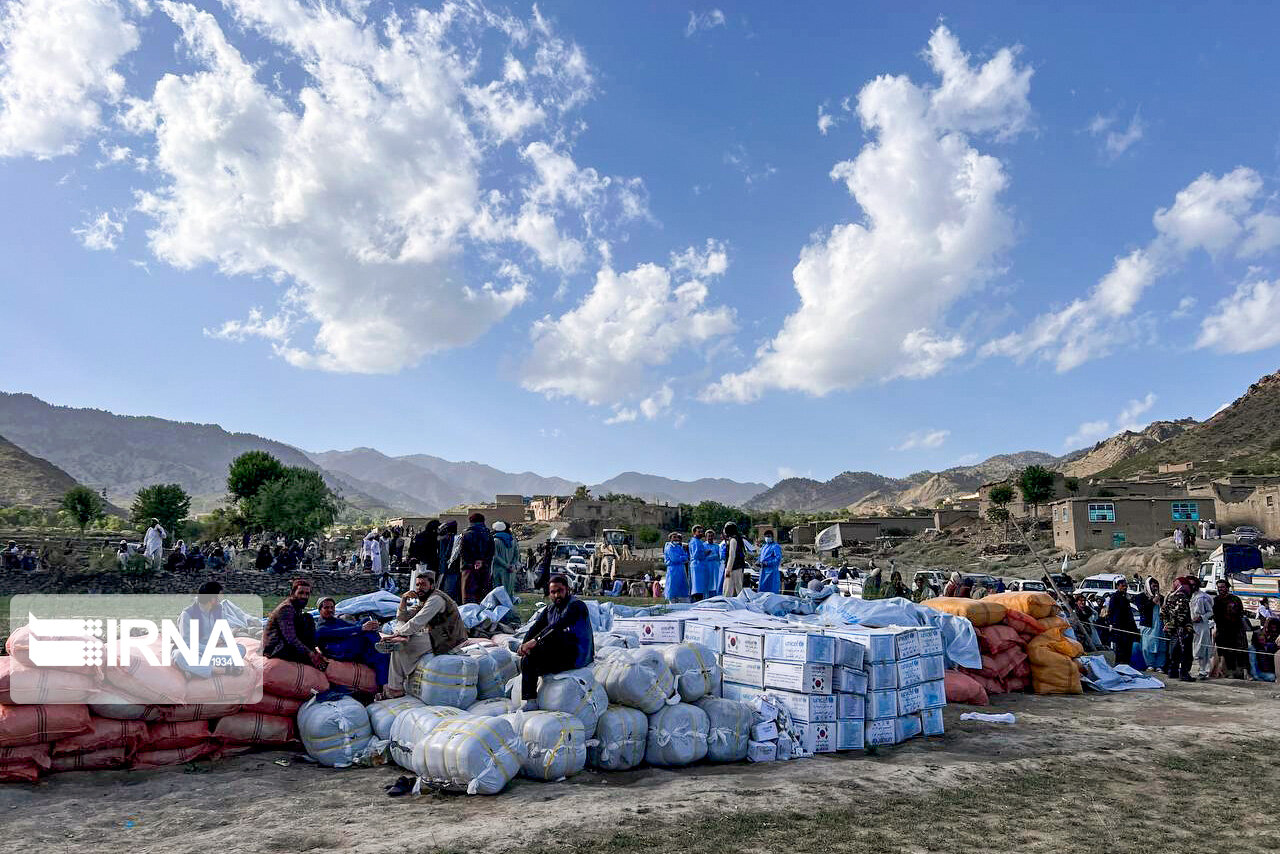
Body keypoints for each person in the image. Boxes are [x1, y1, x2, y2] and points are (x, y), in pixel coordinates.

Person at [377, 570, 468, 699]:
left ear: (432, 585)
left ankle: (395, 688)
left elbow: (417, 621)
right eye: (418, 585)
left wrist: (396, 634)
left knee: (399, 647)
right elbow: (403, 617)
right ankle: (401, 640)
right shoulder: (422, 598)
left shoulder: (436, 599)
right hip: (435, 635)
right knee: (401, 633)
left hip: (446, 639)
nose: (419, 588)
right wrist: (404, 600)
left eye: (423, 585)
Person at [517, 574, 594, 710]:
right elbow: (535, 628)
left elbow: (558, 626)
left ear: (567, 590)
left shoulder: (576, 606)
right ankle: (531, 700)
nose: (556, 595)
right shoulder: (550, 609)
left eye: (560, 591)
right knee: (527, 660)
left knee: (548, 639)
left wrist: (535, 642)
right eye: (553, 592)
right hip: (559, 652)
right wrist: (524, 645)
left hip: (576, 654)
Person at [315, 597, 390, 688]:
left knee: (365, 621)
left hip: (347, 644)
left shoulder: (336, 620)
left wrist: (368, 625)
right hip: (338, 651)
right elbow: (341, 632)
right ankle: (380, 645)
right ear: (320, 610)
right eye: (326, 608)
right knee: (366, 639)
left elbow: (353, 626)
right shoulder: (321, 627)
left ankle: (379, 645)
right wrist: (362, 628)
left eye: (332, 607)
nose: (330, 610)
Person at [262, 578, 327, 670]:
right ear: (293, 593)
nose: (304, 596)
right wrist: (310, 654)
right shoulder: (286, 609)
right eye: (300, 593)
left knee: (308, 617)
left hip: (284, 644)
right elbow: (291, 638)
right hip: (276, 648)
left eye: (307, 594)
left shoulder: (297, 607)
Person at [1213, 579, 1250, 679]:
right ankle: (1227, 671)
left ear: (1227, 587)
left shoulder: (1235, 599)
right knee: (1225, 652)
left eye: (1223, 587)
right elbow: (1214, 616)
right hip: (1222, 630)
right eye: (1219, 587)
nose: (1221, 589)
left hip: (1236, 629)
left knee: (1239, 651)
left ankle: (1241, 672)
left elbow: (1240, 613)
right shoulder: (1216, 600)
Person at [1161, 576, 1196, 682]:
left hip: (1172, 630)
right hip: (1182, 630)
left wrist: (1167, 625)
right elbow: (1181, 616)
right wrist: (1185, 627)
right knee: (1186, 653)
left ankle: (1173, 671)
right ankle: (1184, 674)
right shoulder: (1183, 597)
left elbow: (1163, 612)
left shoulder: (1169, 596)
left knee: (1173, 652)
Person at [459, 513, 495, 604]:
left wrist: (473, 562)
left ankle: (469, 615)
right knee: (483, 594)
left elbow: (463, 552)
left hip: (469, 569)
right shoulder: (488, 534)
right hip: (485, 568)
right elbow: (491, 552)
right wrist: (482, 561)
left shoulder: (466, 534)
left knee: (468, 595)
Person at [1102, 578, 1139, 667]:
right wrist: (1112, 623)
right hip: (1119, 626)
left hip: (1128, 626)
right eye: (1123, 586)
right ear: (1118, 586)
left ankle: (1127, 664)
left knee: (1128, 647)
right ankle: (1120, 665)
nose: (1124, 588)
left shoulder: (1126, 597)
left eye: (1126, 586)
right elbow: (1111, 611)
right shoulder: (1114, 597)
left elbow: (1129, 613)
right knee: (1120, 648)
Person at [1136, 577, 1167, 674]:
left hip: (1160, 626)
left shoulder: (1161, 598)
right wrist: (1153, 601)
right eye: (1153, 586)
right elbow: (1142, 609)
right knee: (1147, 646)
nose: (1155, 588)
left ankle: (1159, 665)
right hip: (1148, 625)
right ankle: (1150, 664)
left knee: (1161, 646)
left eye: (1156, 586)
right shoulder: (1140, 597)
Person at [1190, 578, 1215, 679]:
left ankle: (1203, 671)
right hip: (1189, 626)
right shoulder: (1188, 596)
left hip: (1201, 626)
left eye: (1193, 584)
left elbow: (1210, 612)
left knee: (1202, 649)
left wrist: (1201, 617)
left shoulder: (1203, 597)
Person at [491, 521, 519, 600]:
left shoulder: (495, 541)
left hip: (498, 571)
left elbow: (495, 557)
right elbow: (516, 556)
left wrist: (506, 566)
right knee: (508, 593)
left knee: (498, 594)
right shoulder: (513, 540)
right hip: (510, 571)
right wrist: (512, 566)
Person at [437, 521, 462, 602]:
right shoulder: (455, 539)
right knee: (449, 590)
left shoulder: (443, 539)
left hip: (444, 568)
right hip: (452, 569)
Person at [686, 526, 713, 602]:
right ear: (694, 533)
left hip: (701, 565)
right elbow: (696, 555)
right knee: (697, 586)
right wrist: (705, 553)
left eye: (702, 531)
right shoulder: (694, 542)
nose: (701, 533)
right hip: (697, 566)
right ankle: (696, 600)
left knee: (701, 586)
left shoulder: (699, 541)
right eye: (699, 532)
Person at [662, 532, 691, 602]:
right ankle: (672, 600)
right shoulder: (669, 547)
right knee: (673, 585)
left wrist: (682, 558)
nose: (676, 539)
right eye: (674, 537)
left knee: (681, 584)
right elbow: (674, 559)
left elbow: (686, 556)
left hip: (681, 568)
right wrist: (682, 558)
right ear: (670, 538)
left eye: (677, 537)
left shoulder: (679, 547)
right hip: (673, 569)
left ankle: (681, 598)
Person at [1249, 617, 1279, 682]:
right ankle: (1255, 675)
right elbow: (1254, 648)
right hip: (1259, 663)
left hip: (1270, 666)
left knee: (1272, 677)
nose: (1273, 630)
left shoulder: (1276, 635)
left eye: (1275, 628)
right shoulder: (1257, 633)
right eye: (1272, 628)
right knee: (1251, 649)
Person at [721, 522, 747, 597]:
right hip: (738, 567)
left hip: (733, 568)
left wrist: (728, 569)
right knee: (738, 587)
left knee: (729, 588)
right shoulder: (738, 538)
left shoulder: (733, 540)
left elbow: (732, 556)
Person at [756, 530, 783, 594]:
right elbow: (761, 557)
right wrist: (758, 562)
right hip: (763, 571)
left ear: (772, 537)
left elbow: (778, 559)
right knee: (762, 591)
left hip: (771, 572)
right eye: (766, 536)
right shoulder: (764, 546)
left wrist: (768, 563)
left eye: (769, 536)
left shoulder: (775, 546)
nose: (767, 538)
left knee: (771, 591)